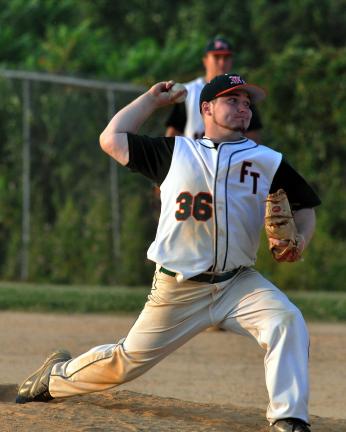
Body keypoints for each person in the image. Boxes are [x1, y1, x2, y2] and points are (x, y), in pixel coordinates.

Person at [16, 73, 321, 432]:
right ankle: (54, 377)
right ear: (206, 108)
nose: (243, 107)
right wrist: (151, 101)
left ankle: (288, 418)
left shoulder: (267, 161)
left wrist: (301, 238)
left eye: (246, 102)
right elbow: (110, 139)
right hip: (178, 288)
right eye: (232, 100)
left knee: (286, 319)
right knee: (125, 361)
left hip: (238, 284)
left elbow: (305, 207)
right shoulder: (176, 152)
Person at [165, 36, 262, 143]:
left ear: (231, 61)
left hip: (232, 158)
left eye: (226, 58)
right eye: (216, 57)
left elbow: (253, 136)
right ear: (205, 61)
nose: (222, 62)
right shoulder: (188, 91)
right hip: (195, 157)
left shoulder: (241, 92)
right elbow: (173, 132)